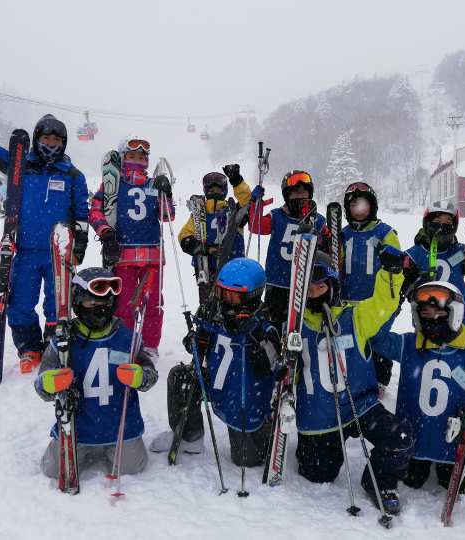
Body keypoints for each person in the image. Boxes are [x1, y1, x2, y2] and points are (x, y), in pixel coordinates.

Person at [0, 94, 90, 374]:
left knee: (57, 304)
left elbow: (81, 213)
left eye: (57, 141)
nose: (51, 145)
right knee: (20, 303)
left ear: (63, 143)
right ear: (37, 138)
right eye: (46, 140)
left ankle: (52, 345)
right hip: (22, 248)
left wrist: (79, 245)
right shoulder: (20, 164)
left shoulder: (73, 175)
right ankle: (29, 349)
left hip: (58, 252)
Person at [293, 250, 415, 515]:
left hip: (360, 406)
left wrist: (391, 274)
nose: (314, 294)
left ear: (333, 286)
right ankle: (312, 450)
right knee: (319, 475)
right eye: (308, 289)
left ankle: (378, 481)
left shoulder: (355, 317)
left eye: (320, 287)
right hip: (319, 416)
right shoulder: (294, 327)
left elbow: (383, 303)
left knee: (401, 438)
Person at [372, 281, 465, 496]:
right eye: (425, 312)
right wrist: (392, 306)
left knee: (460, 486)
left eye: (439, 312)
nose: (431, 318)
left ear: (454, 313)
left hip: (454, 444)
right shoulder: (408, 344)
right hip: (414, 441)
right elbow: (376, 339)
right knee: (412, 481)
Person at [150, 258, 280, 467]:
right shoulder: (215, 312)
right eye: (222, 293)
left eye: (233, 296)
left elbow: (268, 367)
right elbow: (200, 342)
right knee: (180, 378)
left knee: (247, 460)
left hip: (244, 395)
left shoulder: (265, 324)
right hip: (216, 381)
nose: (226, 301)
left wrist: (256, 335)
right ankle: (189, 436)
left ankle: (265, 429)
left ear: (252, 296)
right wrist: (196, 340)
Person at [34, 268, 158, 478]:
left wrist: (141, 377)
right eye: (92, 305)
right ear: (78, 303)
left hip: (120, 425)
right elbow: (41, 387)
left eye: (106, 305)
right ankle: (85, 445)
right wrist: (48, 383)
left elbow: (150, 375)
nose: (100, 310)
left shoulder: (129, 339)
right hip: (76, 425)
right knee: (53, 471)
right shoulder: (62, 342)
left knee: (132, 469)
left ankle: (114, 445)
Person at [89, 136, 174, 363]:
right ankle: (125, 342)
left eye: (141, 157)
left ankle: (150, 346)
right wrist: (106, 234)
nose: (137, 160)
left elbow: (168, 215)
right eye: (132, 156)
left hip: (153, 254)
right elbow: (96, 211)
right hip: (124, 254)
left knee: (153, 304)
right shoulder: (113, 184)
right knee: (124, 303)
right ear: (123, 158)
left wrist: (167, 193)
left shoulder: (152, 184)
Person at [339, 182, 401, 397]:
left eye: (363, 205)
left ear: (371, 206)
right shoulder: (342, 234)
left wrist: (394, 299)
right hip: (347, 302)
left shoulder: (384, 233)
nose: (358, 210)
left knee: (377, 343)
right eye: (353, 205)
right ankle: (351, 378)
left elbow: (396, 267)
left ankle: (380, 381)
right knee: (351, 345)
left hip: (376, 302)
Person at [403, 201, 465, 338]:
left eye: (448, 223)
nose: (442, 226)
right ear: (427, 223)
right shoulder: (414, 254)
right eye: (437, 221)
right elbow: (405, 284)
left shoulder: (459, 251)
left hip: (461, 321)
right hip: (426, 321)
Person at [248, 170, 326, 324]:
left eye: (304, 192)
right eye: (295, 193)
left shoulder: (318, 220)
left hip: (307, 286)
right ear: (286, 195)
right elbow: (256, 227)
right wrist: (254, 204)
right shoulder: (277, 215)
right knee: (275, 324)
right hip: (277, 284)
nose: (300, 196)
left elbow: (326, 247)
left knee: (301, 326)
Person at [178, 166, 252, 306]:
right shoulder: (199, 215)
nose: (215, 193)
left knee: (231, 303)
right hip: (206, 268)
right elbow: (184, 235)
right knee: (209, 303)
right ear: (206, 192)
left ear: (225, 192)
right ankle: (207, 323)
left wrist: (236, 180)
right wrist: (201, 248)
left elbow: (247, 201)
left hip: (232, 267)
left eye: (219, 191)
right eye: (211, 191)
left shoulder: (234, 211)